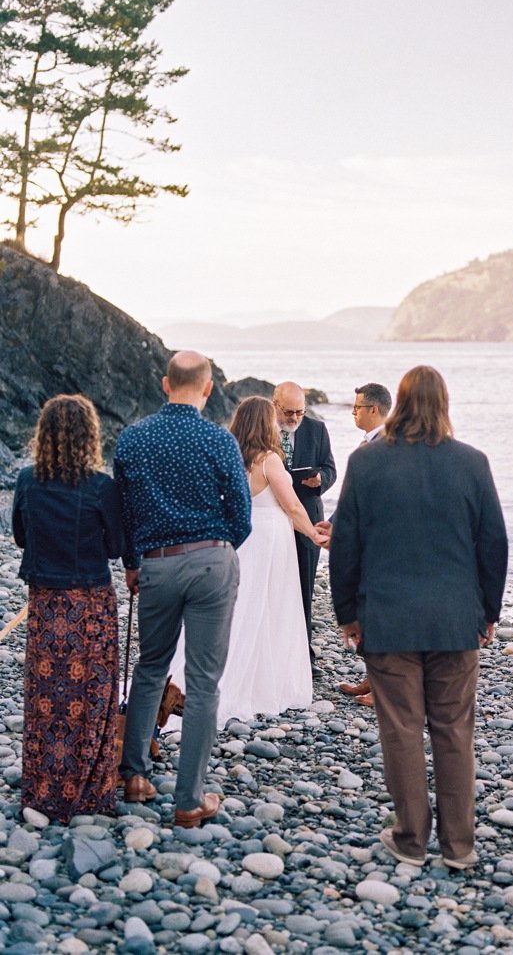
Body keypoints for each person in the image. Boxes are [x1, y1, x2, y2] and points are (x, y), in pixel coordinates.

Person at [328, 365, 507, 871]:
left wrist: (347, 613)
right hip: (456, 621)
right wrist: (488, 611)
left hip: (388, 619)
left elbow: (346, 545)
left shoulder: (368, 465)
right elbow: (494, 542)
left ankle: (410, 839)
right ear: (444, 403)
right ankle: (459, 846)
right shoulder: (472, 463)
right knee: (453, 730)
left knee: (402, 730)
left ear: (399, 403)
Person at [115, 351, 252, 829]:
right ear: (209, 388)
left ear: (164, 383)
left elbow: (124, 512)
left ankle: (134, 776)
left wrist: (133, 563)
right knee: (203, 683)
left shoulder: (132, 439)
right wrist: (220, 549)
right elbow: (240, 512)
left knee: (150, 667)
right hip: (211, 559)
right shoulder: (218, 439)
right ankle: (189, 800)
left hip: (155, 565)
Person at [163, 397, 324, 729]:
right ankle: (263, 682)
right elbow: (292, 507)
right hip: (269, 540)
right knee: (270, 607)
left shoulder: (228, 456)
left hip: (238, 538)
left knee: (239, 605)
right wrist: (314, 534)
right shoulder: (270, 460)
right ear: (266, 423)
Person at [11, 395, 126, 821]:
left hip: (45, 603)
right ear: (90, 436)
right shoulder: (101, 487)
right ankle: (89, 790)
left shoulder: (26, 480)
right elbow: (116, 547)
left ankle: (43, 787)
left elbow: (21, 537)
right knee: (91, 693)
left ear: (43, 435)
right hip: (90, 603)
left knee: (46, 696)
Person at [336, 381, 392, 708]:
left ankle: (382, 688)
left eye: (357, 408)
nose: (353, 413)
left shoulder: (385, 444)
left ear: (373, 409)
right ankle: (371, 678)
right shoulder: (371, 442)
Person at [273, 380, 337, 654]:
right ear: (275, 405)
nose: (295, 418)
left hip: (308, 514)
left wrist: (320, 479)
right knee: (274, 584)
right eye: (289, 413)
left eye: (300, 412)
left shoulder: (317, 429)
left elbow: (330, 469)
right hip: (273, 517)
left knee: (303, 587)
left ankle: (302, 650)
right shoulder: (263, 429)